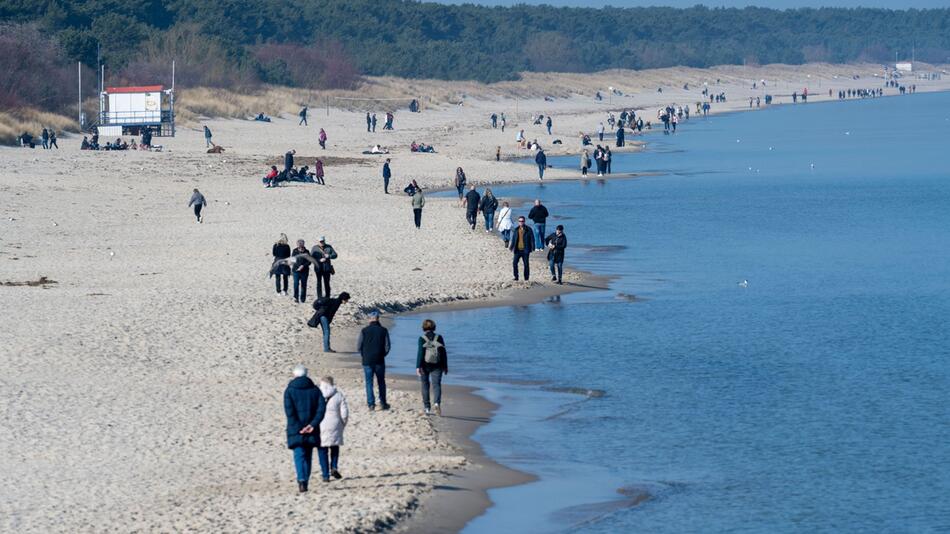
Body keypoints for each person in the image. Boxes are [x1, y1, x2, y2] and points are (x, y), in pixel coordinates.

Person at [284, 364, 326, 493]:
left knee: (299, 453)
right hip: (311, 427)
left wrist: (300, 427)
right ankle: (304, 480)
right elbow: (321, 410)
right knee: (307, 455)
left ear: (294, 375)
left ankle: (302, 480)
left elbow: (289, 412)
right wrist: (312, 425)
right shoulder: (315, 390)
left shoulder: (289, 390)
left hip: (297, 428)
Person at [356, 310, 390, 411]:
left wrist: (364, 355)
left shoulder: (364, 330)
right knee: (381, 382)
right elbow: (387, 346)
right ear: (378, 319)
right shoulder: (383, 330)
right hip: (379, 359)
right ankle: (383, 402)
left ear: (370, 319)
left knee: (369, 382)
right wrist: (383, 354)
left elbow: (358, 346)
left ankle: (371, 404)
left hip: (367, 360)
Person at [317, 376, 348, 482]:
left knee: (322, 449)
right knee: (334, 446)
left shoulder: (317, 394)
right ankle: (334, 467)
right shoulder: (338, 395)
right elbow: (344, 413)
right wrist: (343, 424)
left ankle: (325, 474)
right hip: (335, 423)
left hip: (320, 423)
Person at [416, 319, 448, 416]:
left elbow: (420, 353)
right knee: (436, 385)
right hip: (437, 365)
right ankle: (437, 403)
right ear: (434, 327)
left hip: (425, 365)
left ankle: (427, 408)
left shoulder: (422, 338)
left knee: (425, 385)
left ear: (424, 327)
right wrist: (445, 366)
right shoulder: (439, 337)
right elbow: (443, 353)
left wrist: (418, 366)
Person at [509, 216, 535, 281]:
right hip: (517, 250)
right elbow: (514, 239)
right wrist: (511, 247)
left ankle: (526, 278)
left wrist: (533, 247)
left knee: (526, 264)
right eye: (520, 221)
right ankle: (516, 277)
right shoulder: (516, 229)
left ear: (524, 222)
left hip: (525, 250)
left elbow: (532, 239)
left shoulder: (528, 229)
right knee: (514, 263)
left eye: (522, 221)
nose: (521, 222)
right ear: (518, 222)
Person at [292, 239, 311, 304]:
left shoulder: (307, 251)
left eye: (301, 244)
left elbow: (309, 261)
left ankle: (303, 299)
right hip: (296, 270)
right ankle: (296, 297)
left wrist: (303, 266)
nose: (299, 246)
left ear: (303, 245)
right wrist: (298, 267)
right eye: (298, 244)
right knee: (296, 284)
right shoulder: (294, 251)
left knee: (303, 285)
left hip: (304, 271)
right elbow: (293, 260)